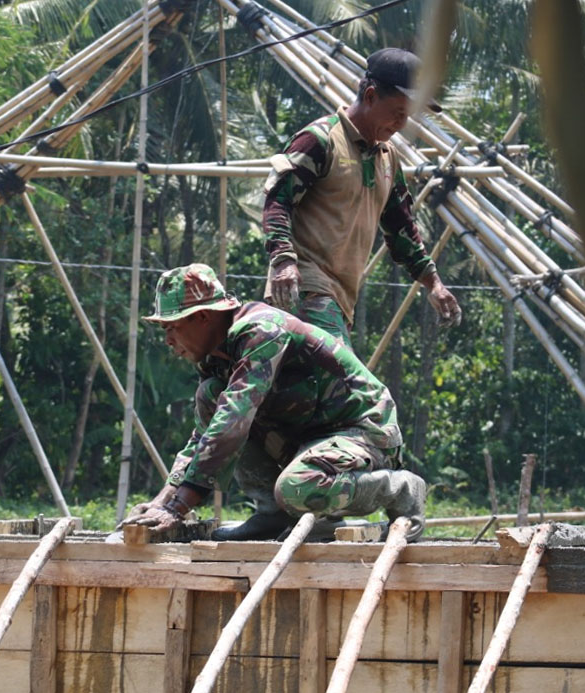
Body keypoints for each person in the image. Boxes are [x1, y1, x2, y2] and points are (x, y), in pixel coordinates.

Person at [121, 264, 426, 542]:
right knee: (210, 395)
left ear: (202, 317)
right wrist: (163, 501)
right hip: (311, 438)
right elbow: (205, 435)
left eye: (171, 327)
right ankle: (273, 514)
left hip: (362, 429)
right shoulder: (215, 357)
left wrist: (179, 506)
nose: (168, 340)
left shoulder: (261, 331)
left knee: (297, 487)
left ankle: (400, 489)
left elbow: (233, 418)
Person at [263, 47, 462, 349]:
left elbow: (401, 228)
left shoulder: (388, 158)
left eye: (407, 116)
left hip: (342, 303)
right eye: (398, 113)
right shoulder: (321, 139)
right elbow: (278, 200)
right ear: (370, 96)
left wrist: (433, 283)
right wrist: (282, 261)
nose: (401, 124)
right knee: (351, 387)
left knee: (307, 394)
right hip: (305, 288)